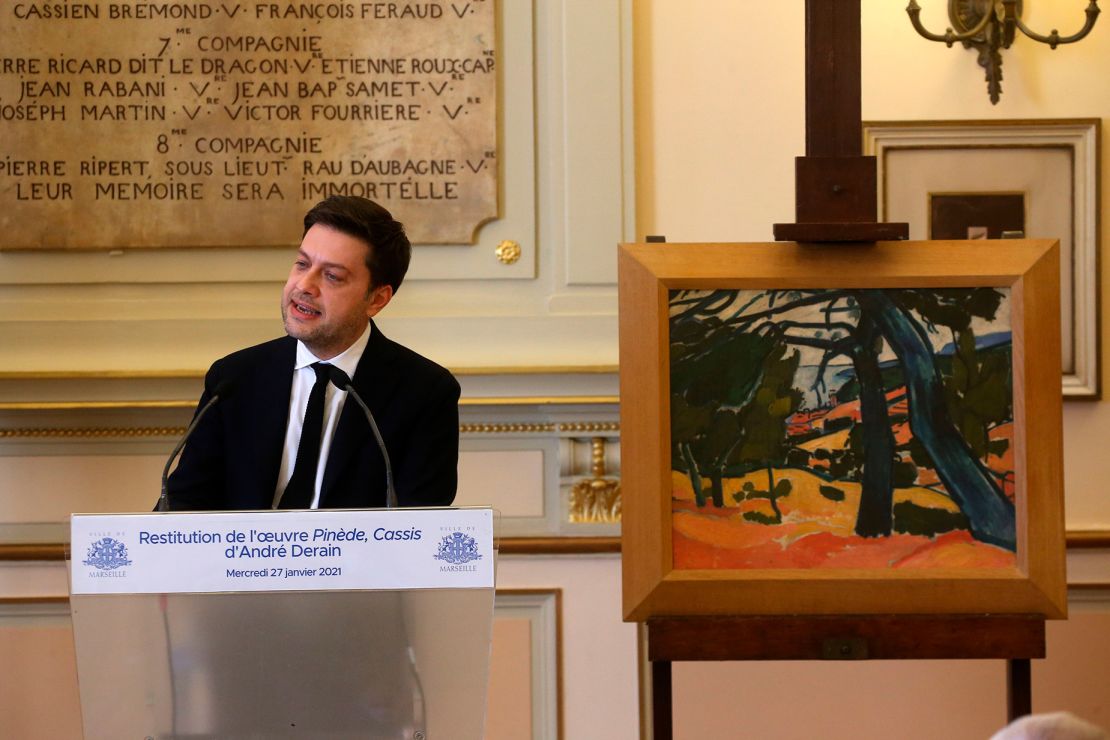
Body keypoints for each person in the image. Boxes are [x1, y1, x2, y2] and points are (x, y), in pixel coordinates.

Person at [164, 196, 460, 510]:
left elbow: (422, 527)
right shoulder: (234, 378)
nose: (304, 285)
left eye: (332, 276)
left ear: (376, 299)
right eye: (302, 264)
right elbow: (185, 504)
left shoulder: (424, 392)